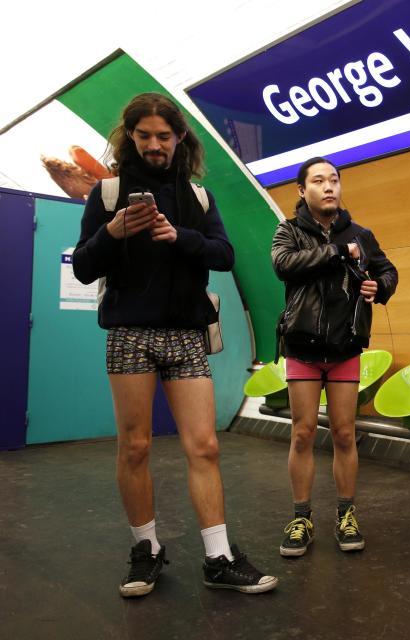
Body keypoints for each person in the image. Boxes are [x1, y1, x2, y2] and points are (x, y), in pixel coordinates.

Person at [72, 93, 277, 597]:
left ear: (180, 137)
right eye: (144, 136)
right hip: (130, 334)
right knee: (136, 447)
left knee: (204, 446)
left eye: (164, 136)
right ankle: (147, 550)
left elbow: (224, 255)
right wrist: (114, 232)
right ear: (130, 137)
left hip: (186, 335)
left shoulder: (198, 197)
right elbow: (82, 266)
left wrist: (176, 235)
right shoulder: (107, 194)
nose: (155, 145)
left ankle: (219, 557)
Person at [271, 157, 398, 557]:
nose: (329, 187)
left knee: (345, 433)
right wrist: (337, 252)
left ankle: (346, 514)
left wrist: (382, 286)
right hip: (303, 349)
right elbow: (284, 265)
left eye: (334, 180)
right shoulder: (288, 231)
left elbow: (388, 270)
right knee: (303, 432)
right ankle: (301, 517)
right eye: (319, 181)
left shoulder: (362, 233)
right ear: (302, 190)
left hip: (345, 347)